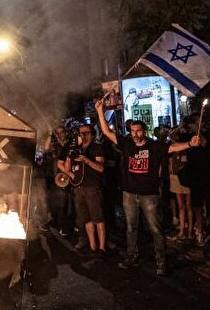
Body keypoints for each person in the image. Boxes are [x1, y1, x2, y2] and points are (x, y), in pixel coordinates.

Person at [94, 100, 193, 276]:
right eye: (132, 131)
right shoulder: (127, 143)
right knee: (131, 227)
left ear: (144, 131)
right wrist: (100, 112)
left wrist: (190, 144)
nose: (135, 134)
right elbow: (107, 132)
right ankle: (132, 256)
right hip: (129, 194)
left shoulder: (154, 145)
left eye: (138, 131)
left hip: (149, 194)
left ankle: (161, 263)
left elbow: (173, 147)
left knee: (155, 229)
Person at [57, 124, 107, 255]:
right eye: (81, 133)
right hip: (78, 188)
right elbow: (67, 169)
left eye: (86, 133)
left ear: (92, 134)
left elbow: (101, 168)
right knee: (86, 218)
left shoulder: (97, 148)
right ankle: (92, 246)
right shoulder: (76, 149)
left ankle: (102, 247)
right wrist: (69, 156)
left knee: (98, 217)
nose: (84, 136)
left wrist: (87, 161)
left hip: (92, 187)